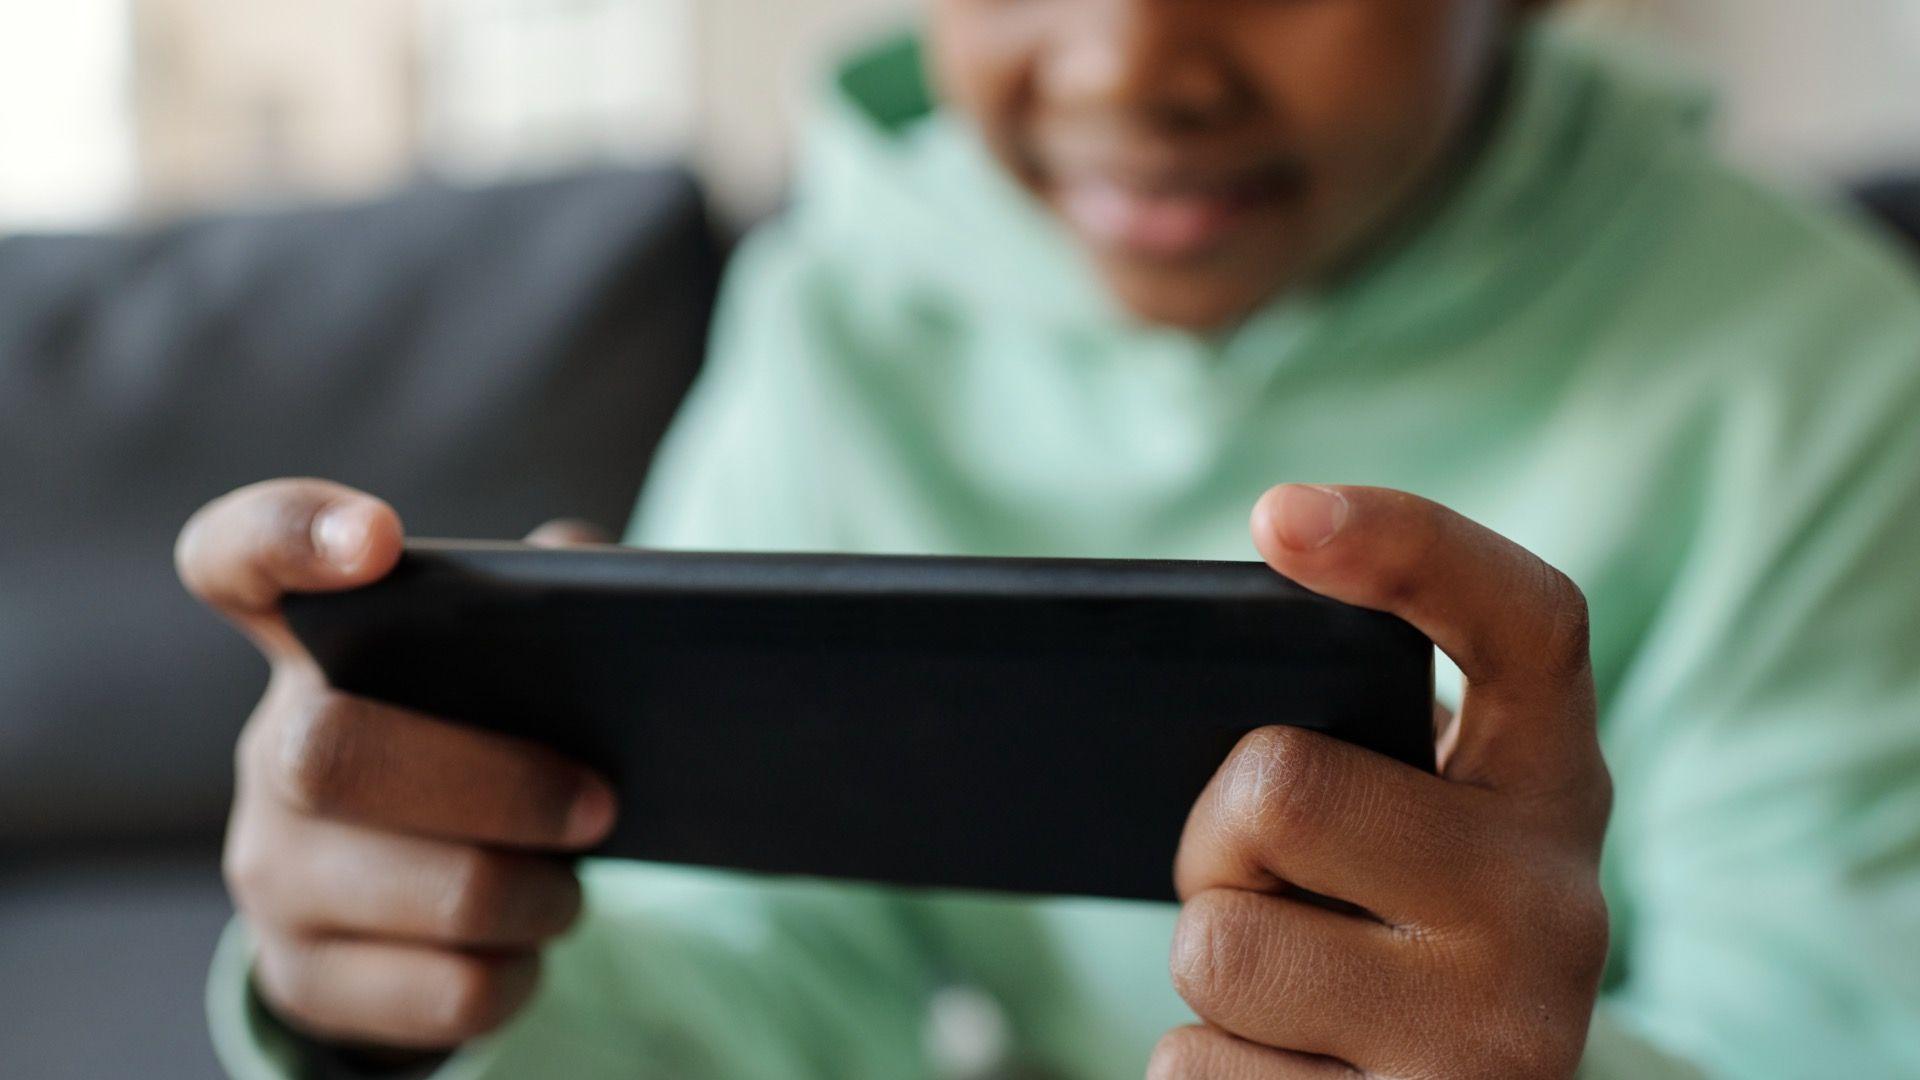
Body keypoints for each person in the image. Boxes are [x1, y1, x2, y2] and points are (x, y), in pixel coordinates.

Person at [178, 1, 1920, 1076]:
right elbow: (771, 988)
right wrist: (430, 996)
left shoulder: (1826, 372)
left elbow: (1836, 1032)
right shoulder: (838, 309)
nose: (1122, 64)